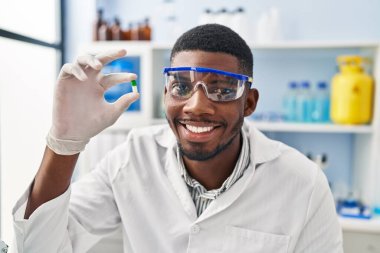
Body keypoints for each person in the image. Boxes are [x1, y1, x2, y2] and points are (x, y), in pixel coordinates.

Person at [12, 24, 343, 252]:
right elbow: (39, 247)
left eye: (223, 89)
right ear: (165, 94)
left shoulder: (304, 183)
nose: (197, 105)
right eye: (181, 87)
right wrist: (64, 142)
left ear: (250, 103)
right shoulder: (131, 159)